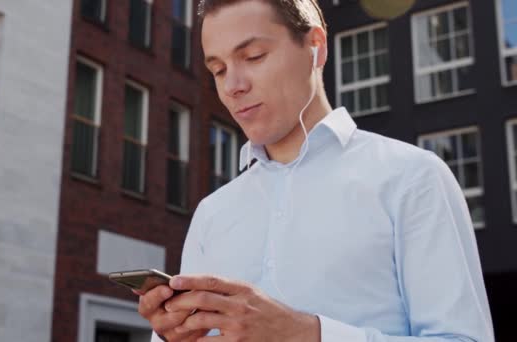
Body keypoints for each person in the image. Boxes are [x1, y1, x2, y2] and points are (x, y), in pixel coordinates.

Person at [136, 0, 495, 341]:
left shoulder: (413, 179)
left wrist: (307, 335)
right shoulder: (211, 215)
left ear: (316, 46)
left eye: (253, 56)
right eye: (218, 69)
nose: (233, 86)